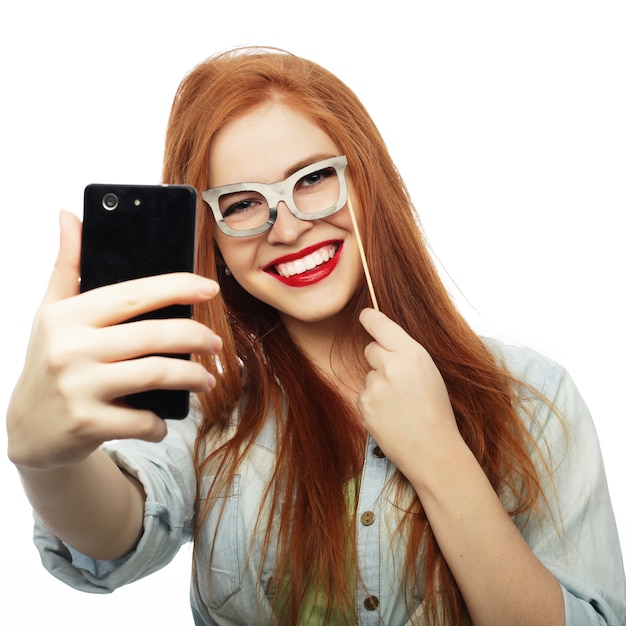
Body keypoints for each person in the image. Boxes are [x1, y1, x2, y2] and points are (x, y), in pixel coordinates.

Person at [6, 46, 626, 626]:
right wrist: (47, 461)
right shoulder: (205, 403)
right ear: (212, 237)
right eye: (244, 203)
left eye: (311, 180)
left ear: (366, 183)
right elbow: (118, 527)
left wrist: (440, 456)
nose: (287, 227)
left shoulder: (532, 397)